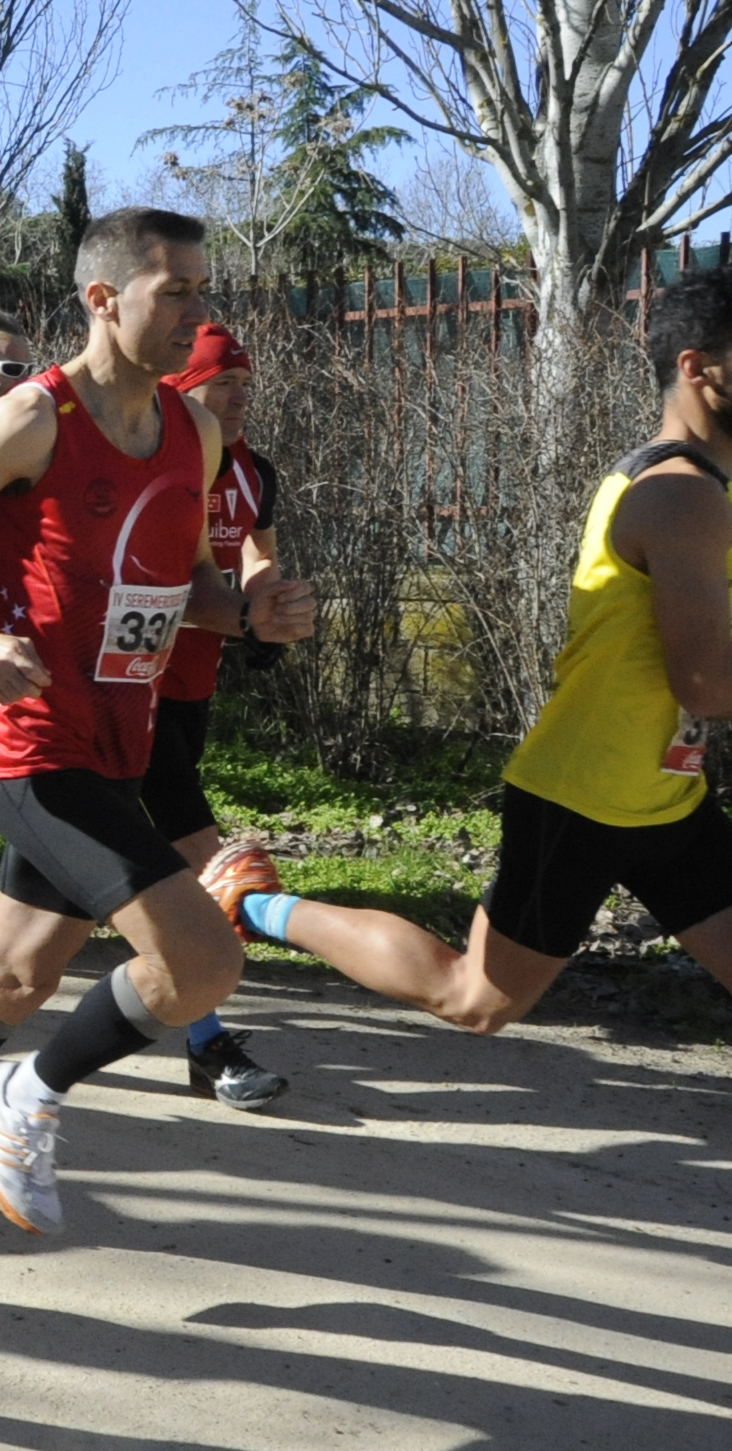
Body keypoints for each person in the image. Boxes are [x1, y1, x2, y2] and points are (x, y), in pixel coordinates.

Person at [0, 208, 317, 1245]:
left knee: (14, 978)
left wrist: (250, 613)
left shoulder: (194, 432)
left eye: (201, 290)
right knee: (202, 961)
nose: (196, 312)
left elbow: (188, 586)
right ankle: (26, 1092)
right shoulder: (35, 418)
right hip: (31, 748)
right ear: (103, 299)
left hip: (119, 744)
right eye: (175, 291)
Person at [197, 267, 732, 1039]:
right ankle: (253, 904)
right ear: (699, 367)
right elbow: (707, 682)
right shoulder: (680, 494)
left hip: (662, 789)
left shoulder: (691, 485)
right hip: (588, 792)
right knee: (473, 997)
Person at [140, 324, 293, 1109]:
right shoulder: (157, 462)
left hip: (192, 687)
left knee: (29, 940)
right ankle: (210, 1040)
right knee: (201, 856)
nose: (238, 400)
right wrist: (237, 617)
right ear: (180, 391)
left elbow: (258, 551)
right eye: (221, 385)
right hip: (129, 690)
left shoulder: (254, 469)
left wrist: (265, 605)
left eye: (244, 385)